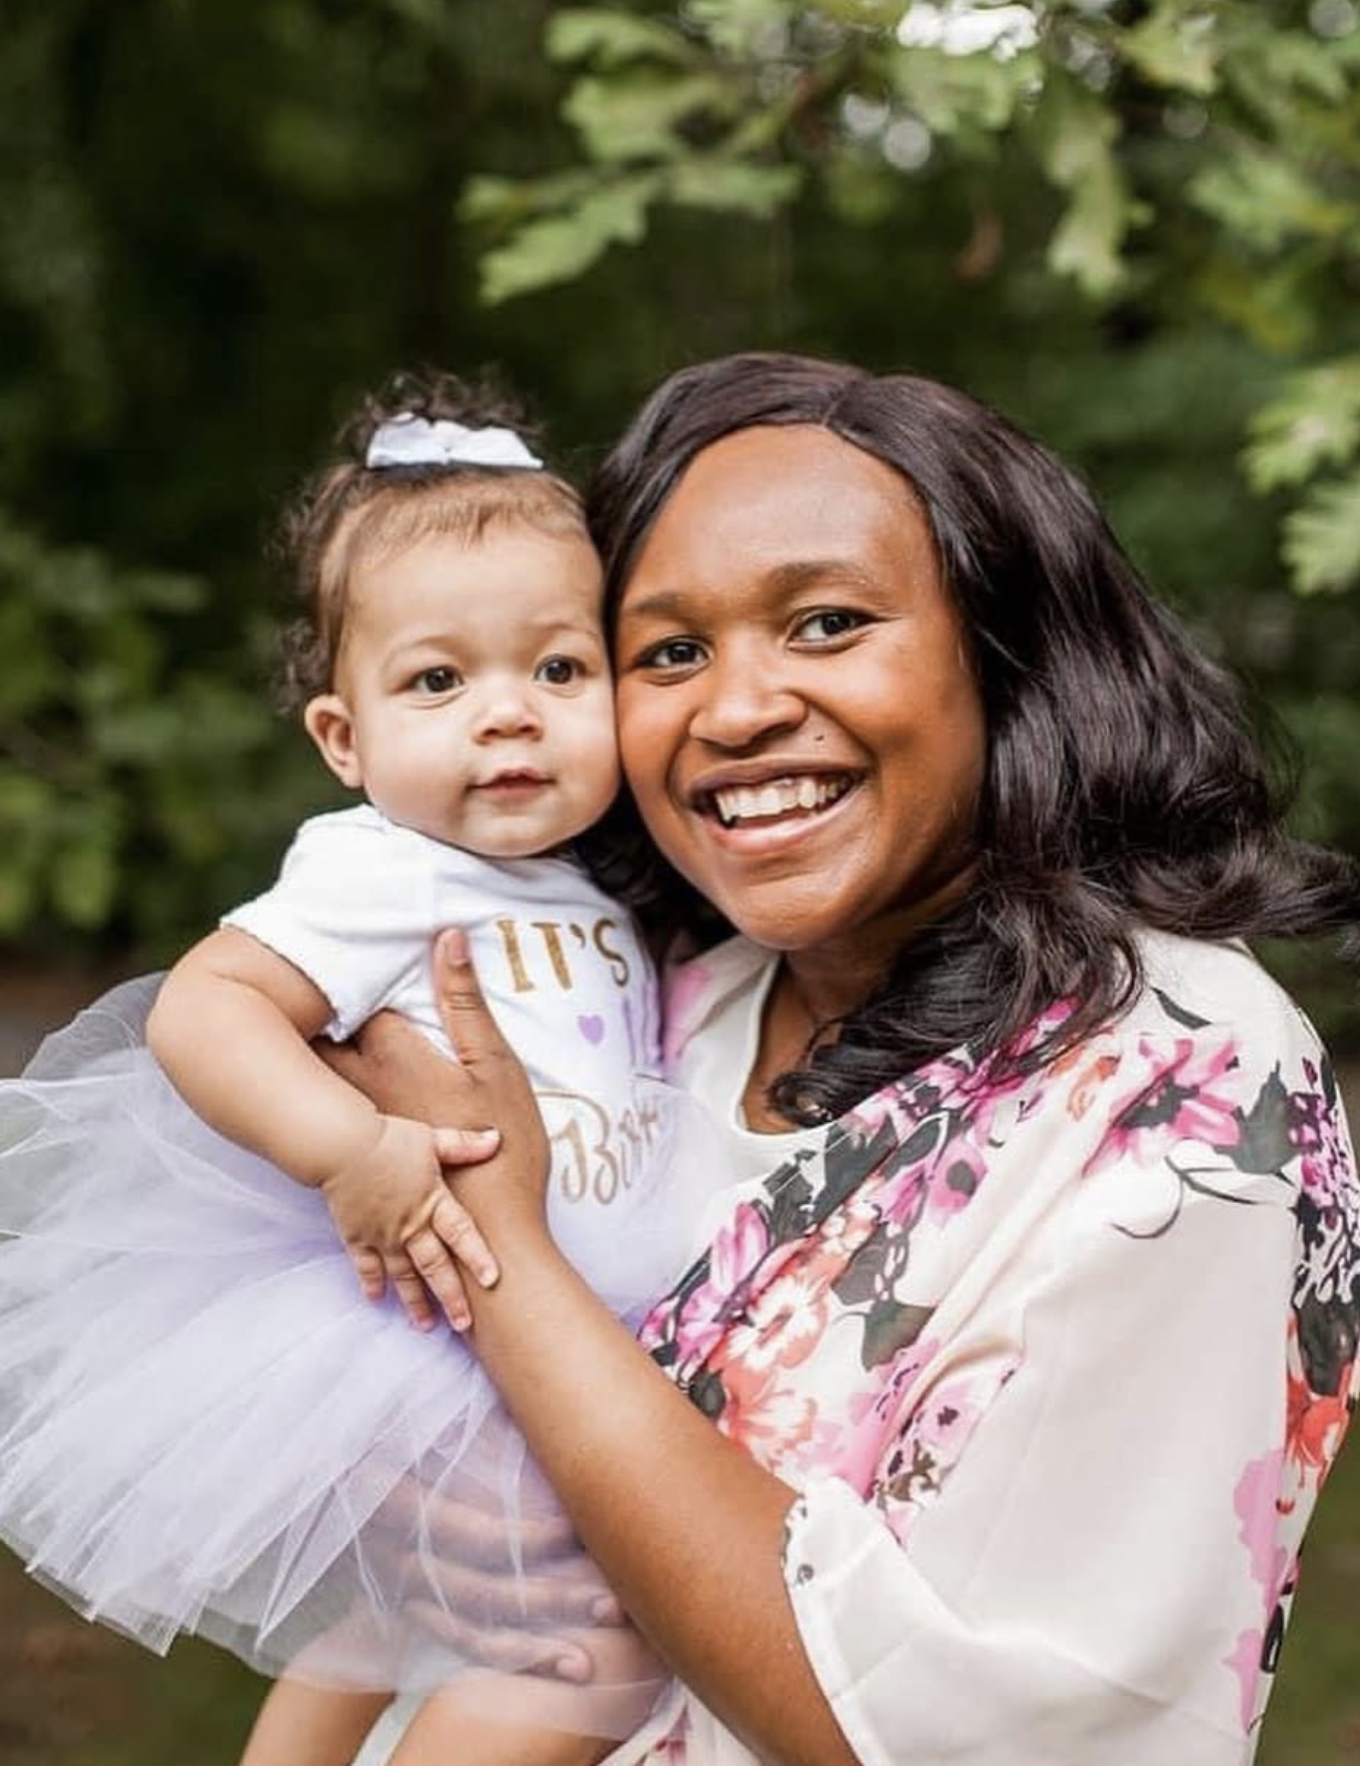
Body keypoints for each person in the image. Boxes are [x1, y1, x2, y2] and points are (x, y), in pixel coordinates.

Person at [342, 351, 1360, 1766]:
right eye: (669, 651)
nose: (738, 707)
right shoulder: (661, 1002)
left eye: (826, 623)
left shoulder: (1185, 1074)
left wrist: (505, 1270)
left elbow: (947, 1730)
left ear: (1004, 656)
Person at [0, 371, 720, 1766]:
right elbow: (203, 1009)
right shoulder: (380, 870)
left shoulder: (603, 883)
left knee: (388, 1622)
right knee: (579, 1640)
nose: (507, 715)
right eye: (439, 680)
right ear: (345, 736)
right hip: (429, 1320)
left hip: (563, 1319)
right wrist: (349, 1146)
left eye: (558, 670)